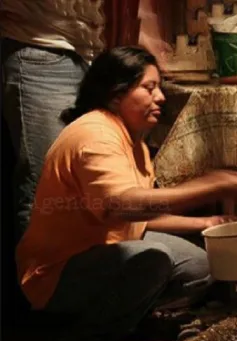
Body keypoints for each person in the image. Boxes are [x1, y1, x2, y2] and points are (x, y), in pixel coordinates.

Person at [16, 46, 237, 341]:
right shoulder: (96, 134)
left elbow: (138, 216)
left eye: (159, 87)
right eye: (149, 88)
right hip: (55, 274)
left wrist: (206, 222)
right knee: (153, 260)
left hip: (101, 252)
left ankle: (125, 318)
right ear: (116, 93)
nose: (160, 97)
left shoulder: (131, 139)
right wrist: (212, 186)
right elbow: (123, 204)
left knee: (203, 264)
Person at [0, 0, 172, 241]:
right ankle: (45, 276)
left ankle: (92, 271)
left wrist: (142, 24)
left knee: (95, 175)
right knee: (48, 189)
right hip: (41, 45)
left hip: (91, 50)